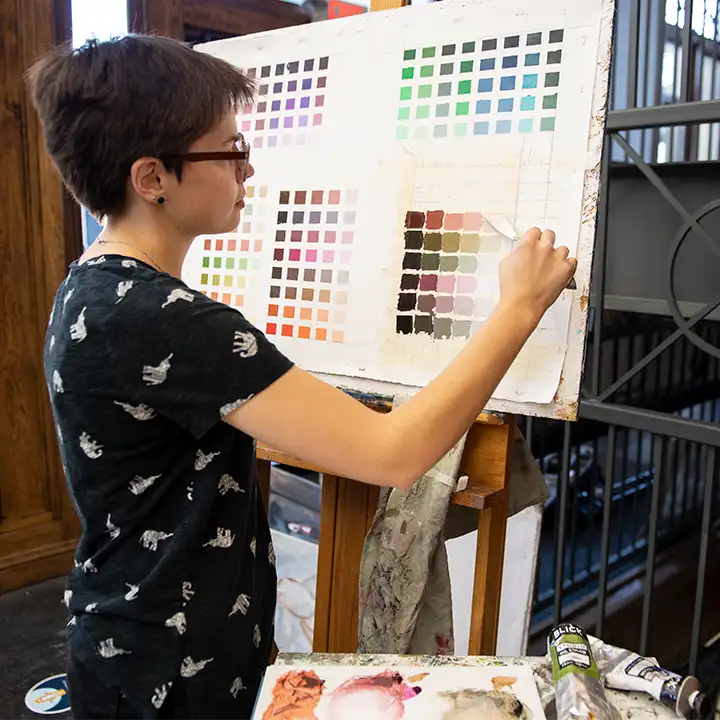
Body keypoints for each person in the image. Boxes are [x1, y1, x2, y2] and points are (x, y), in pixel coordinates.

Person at [28, 34, 577, 720]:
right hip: (169, 676)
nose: (247, 170)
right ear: (152, 178)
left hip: (130, 640)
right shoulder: (167, 319)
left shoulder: (93, 285)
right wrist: (520, 308)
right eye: (230, 151)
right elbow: (393, 454)